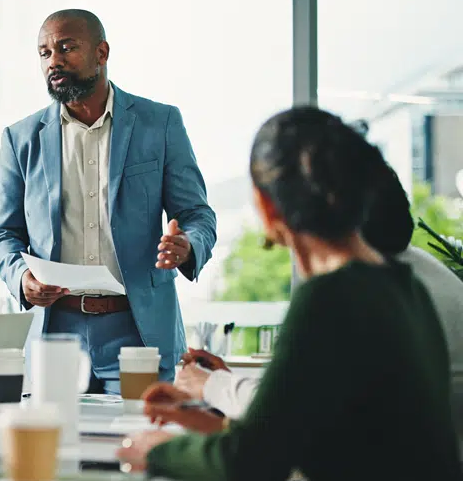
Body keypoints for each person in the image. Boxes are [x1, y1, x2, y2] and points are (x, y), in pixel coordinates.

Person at [116, 106, 463, 481]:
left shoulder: (331, 297)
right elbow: (336, 437)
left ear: (267, 208)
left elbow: (248, 467)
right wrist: (216, 427)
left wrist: (155, 450)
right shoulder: (403, 285)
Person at [0, 9, 216, 392]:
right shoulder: (20, 138)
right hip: (55, 333)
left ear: (101, 52)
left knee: (140, 445)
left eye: (67, 48)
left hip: (138, 332)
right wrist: (20, 276)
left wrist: (188, 244)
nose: (54, 60)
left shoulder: (159, 123)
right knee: (55, 448)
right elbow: (1, 232)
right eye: (44, 53)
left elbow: (196, 214)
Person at [169, 161, 463, 423]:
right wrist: (226, 384)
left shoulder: (359, 293)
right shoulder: (426, 274)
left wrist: (210, 386)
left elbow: (291, 417)